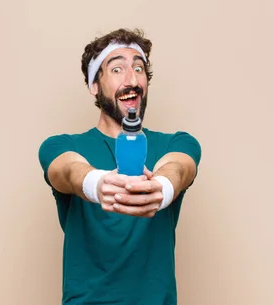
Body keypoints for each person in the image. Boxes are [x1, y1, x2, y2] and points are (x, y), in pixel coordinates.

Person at [38, 28, 202, 305]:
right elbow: (66, 171)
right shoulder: (62, 146)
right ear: (94, 85)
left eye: (139, 69)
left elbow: (179, 168)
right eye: (117, 69)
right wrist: (96, 184)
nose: (132, 79)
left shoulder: (176, 143)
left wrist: (161, 187)